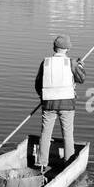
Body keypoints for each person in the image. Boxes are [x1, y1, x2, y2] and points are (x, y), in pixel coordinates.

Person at [34, 35, 85, 174]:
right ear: (67, 49)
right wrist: (80, 66)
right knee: (68, 134)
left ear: (54, 48)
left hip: (48, 104)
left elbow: (38, 84)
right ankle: (69, 165)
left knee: (45, 133)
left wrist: (42, 97)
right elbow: (82, 79)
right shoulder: (71, 63)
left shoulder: (45, 63)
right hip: (67, 104)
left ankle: (42, 164)